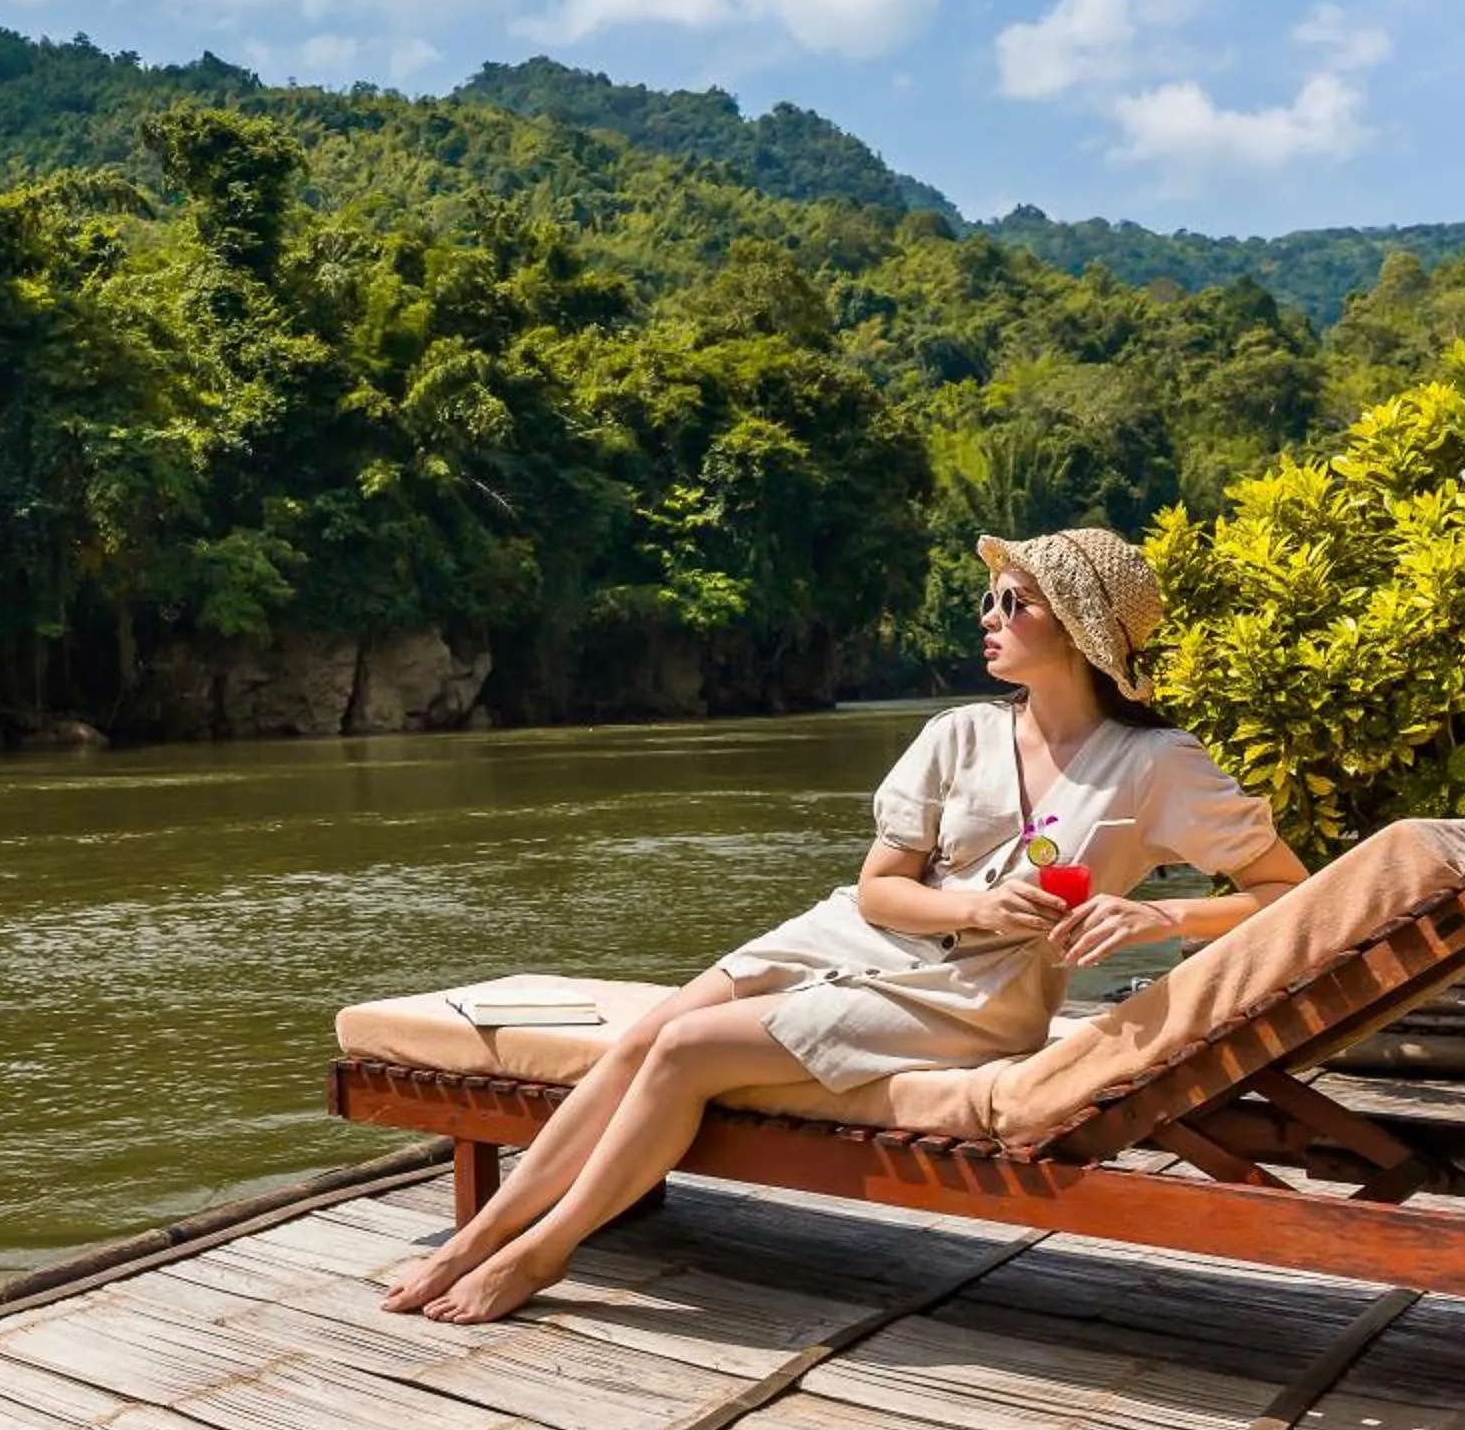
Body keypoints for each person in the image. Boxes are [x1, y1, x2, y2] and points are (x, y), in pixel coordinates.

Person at [381, 527, 1311, 1325]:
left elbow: (1283, 891)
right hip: (856, 935)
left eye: (1012, 601)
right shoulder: (959, 734)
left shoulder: (1156, 765)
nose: (987, 615)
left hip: (975, 992)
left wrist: (1158, 913)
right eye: (990, 597)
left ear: (1076, 628)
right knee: (648, 1034)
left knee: (683, 1054)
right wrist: (977, 903)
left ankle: (544, 1249)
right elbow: (879, 893)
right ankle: (480, 1236)